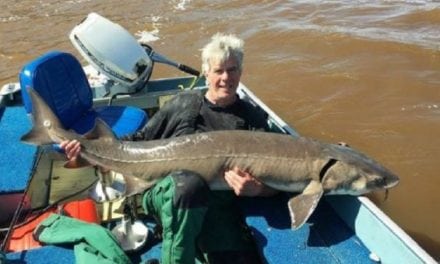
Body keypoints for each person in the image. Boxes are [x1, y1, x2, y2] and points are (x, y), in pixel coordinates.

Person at [61, 33, 277, 264]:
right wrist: (89, 150)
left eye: (232, 70)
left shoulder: (252, 120)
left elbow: (281, 174)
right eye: (218, 71)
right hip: (163, 191)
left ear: (241, 72)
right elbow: (140, 139)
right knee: (188, 184)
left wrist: (259, 189)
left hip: (217, 204)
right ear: (206, 72)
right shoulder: (184, 103)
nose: (226, 77)